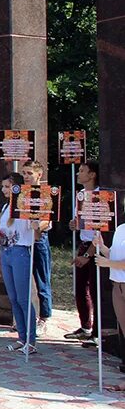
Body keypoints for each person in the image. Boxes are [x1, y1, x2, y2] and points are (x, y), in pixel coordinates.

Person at [0, 173, 37, 353]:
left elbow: (36, 233)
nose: (4, 190)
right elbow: (3, 234)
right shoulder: (6, 207)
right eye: (3, 186)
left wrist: (36, 226)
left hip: (21, 251)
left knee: (23, 298)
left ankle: (31, 340)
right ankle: (21, 337)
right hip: (6, 252)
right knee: (13, 298)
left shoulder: (25, 207)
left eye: (7, 186)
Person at [66, 161, 105, 345]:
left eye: (82, 171)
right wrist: (75, 224)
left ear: (92, 175)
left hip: (95, 246)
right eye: (78, 170)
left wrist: (88, 255)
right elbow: (81, 222)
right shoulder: (80, 195)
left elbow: (100, 228)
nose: (78, 174)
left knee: (95, 289)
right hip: (83, 242)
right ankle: (85, 326)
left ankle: (97, 333)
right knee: (80, 289)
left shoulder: (101, 196)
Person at [21, 161, 53, 334]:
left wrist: (37, 226)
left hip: (39, 239)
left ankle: (44, 318)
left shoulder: (46, 194)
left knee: (42, 280)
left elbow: (48, 218)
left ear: (39, 175)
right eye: (24, 173)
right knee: (23, 280)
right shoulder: (20, 193)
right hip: (22, 239)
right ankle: (25, 316)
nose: (26, 177)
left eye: (29, 173)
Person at [92, 226, 125, 383]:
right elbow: (113, 254)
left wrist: (108, 263)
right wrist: (102, 246)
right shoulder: (120, 229)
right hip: (117, 286)